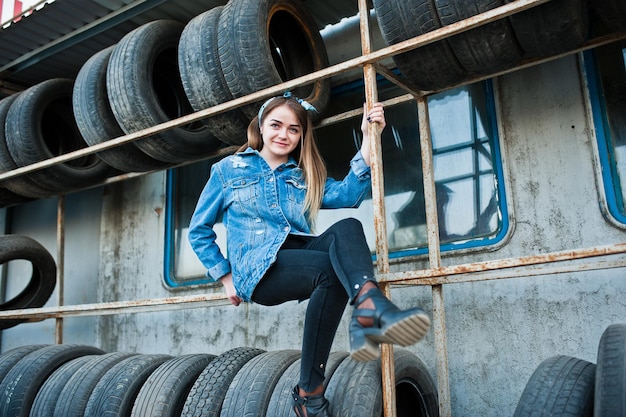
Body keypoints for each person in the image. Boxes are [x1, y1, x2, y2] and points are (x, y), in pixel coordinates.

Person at [188, 92, 430, 417]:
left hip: (297, 258)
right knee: (329, 272)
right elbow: (198, 230)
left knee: (346, 228)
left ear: (301, 135)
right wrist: (225, 276)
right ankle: (317, 382)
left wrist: (370, 138)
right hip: (259, 272)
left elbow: (347, 194)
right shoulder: (228, 170)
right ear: (261, 126)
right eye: (276, 125)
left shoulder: (300, 177)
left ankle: (361, 319)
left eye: (293, 129)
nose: (283, 135)